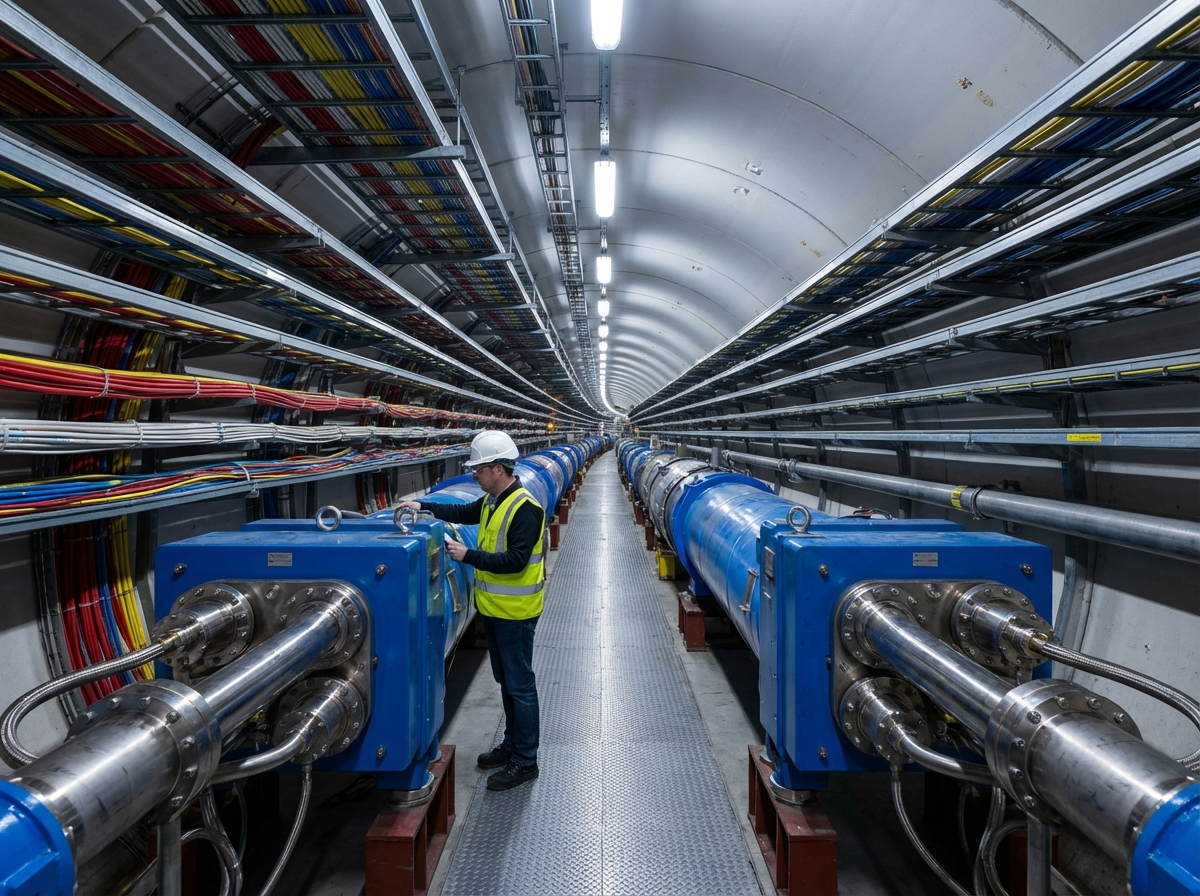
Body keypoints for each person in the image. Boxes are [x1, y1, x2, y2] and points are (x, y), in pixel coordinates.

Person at [399, 430, 545, 791]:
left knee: (520, 685)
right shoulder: (493, 500)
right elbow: (462, 510)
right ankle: (512, 746)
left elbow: (514, 561)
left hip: (516, 612)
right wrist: (424, 505)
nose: (474, 475)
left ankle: (526, 760)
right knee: (506, 683)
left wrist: (468, 556)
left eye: (478, 469)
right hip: (493, 609)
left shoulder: (525, 508)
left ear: (498, 468)